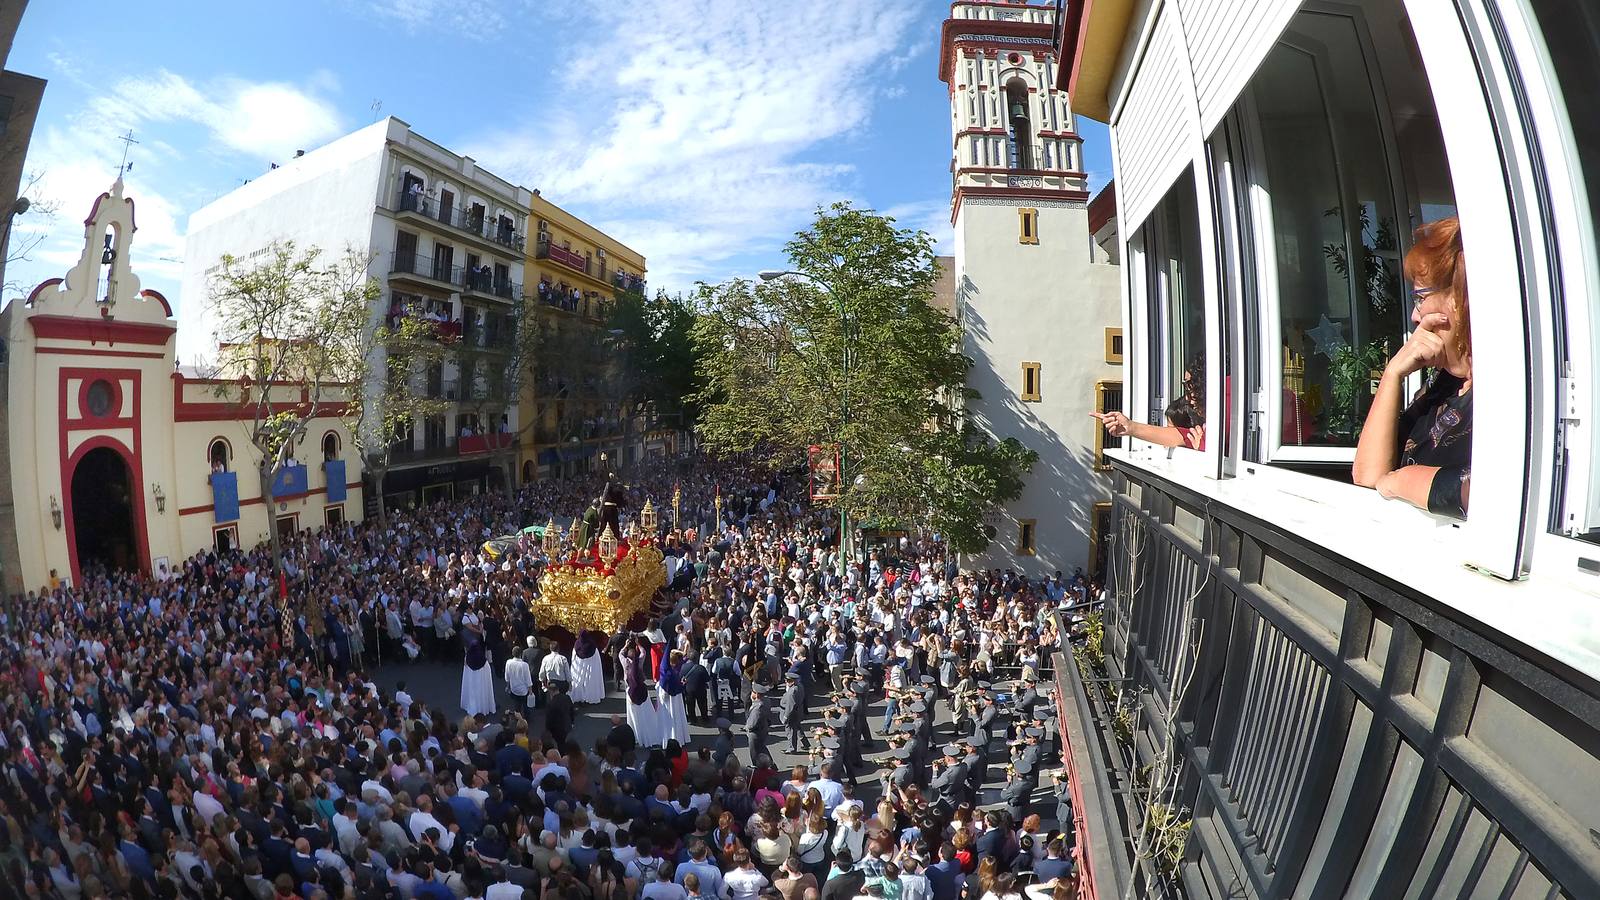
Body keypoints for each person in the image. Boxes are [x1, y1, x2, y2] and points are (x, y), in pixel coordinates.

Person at [1353, 216, 1472, 518]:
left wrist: (1400, 481)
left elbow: (1486, 491)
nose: (1415, 317)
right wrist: (1392, 376)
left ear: (1461, 299)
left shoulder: (1518, 390)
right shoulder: (1442, 386)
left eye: (1420, 298)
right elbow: (1367, 477)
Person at [461, 637, 496, 717]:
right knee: (482, 692)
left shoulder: (467, 659)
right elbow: (488, 675)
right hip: (482, 682)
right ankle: (484, 707)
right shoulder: (483, 660)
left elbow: (466, 674)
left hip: (472, 681)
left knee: (473, 694)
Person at [572, 630, 606, 704]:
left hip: (580, 667)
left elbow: (573, 658)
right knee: (589, 682)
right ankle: (590, 697)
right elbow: (597, 661)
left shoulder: (577, 644)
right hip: (591, 667)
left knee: (580, 681)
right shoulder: (592, 645)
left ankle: (580, 697)